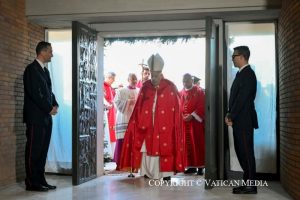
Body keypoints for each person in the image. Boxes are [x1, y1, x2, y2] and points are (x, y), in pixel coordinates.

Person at [120, 53, 184, 180]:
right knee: (146, 147)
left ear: (161, 74)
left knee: (166, 147)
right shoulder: (145, 87)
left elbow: (176, 109)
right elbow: (139, 107)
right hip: (147, 123)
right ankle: (147, 172)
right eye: (152, 76)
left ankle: (166, 174)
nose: (153, 79)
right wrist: (138, 121)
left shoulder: (170, 87)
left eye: (156, 76)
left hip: (166, 125)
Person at [23, 41, 58, 191]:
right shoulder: (31, 70)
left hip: (46, 117)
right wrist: (48, 108)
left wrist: (55, 104)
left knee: (43, 151)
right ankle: (31, 182)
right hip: (35, 118)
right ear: (42, 52)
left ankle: (40, 179)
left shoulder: (45, 71)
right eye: (50, 51)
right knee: (34, 150)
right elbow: (35, 94)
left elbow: (49, 92)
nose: (52, 54)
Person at [225, 46, 259, 194]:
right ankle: (247, 183)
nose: (232, 58)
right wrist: (230, 114)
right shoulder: (241, 74)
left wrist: (230, 115)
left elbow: (241, 99)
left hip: (244, 121)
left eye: (234, 56)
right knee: (241, 152)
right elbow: (235, 99)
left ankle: (251, 186)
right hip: (239, 120)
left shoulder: (248, 74)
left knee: (246, 153)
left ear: (242, 57)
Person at [180, 73, 205, 175]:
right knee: (186, 145)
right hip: (184, 123)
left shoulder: (199, 91)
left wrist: (193, 115)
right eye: (184, 81)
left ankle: (200, 167)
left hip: (195, 123)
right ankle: (191, 167)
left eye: (187, 80)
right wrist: (181, 115)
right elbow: (178, 106)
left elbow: (202, 105)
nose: (185, 83)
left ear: (192, 80)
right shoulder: (180, 92)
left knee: (197, 144)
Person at [113, 73, 139, 170]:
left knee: (134, 141)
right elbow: (116, 102)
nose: (135, 81)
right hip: (124, 117)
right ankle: (120, 164)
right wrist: (128, 102)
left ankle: (134, 165)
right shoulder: (121, 91)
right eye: (133, 79)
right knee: (122, 140)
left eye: (136, 79)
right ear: (128, 80)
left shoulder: (139, 91)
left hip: (135, 118)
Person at [103, 72, 117, 158]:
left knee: (112, 131)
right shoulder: (103, 86)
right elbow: (103, 98)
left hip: (112, 112)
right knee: (107, 131)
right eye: (113, 79)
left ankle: (111, 154)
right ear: (109, 77)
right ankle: (107, 154)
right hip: (107, 112)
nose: (114, 80)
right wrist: (108, 104)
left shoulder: (109, 87)